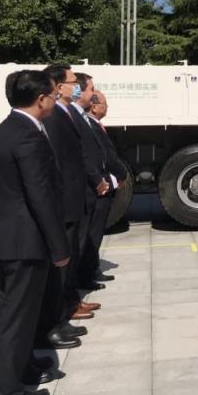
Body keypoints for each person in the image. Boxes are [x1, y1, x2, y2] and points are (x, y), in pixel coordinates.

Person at [0, 70, 67, 395]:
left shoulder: (11, 128)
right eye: (52, 95)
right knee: (13, 323)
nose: (54, 100)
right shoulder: (27, 137)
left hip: (12, 240)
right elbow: (41, 197)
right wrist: (59, 248)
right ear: (41, 99)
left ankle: (16, 382)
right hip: (24, 243)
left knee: (16, 318)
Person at [35, 65, 104, 348]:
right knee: (61, 265)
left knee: (71, 258)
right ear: (58, 85)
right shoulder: (54, 118)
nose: (77, 86)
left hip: (75, 198)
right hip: (67, 201)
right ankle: (56, 320)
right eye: (73, 82)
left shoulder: (66, 114)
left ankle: (66, 310)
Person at [74, 81, 122, 288]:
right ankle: (86, 274)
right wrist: (119, 174)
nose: (107, 107)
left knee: (95, 232)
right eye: (103, 102)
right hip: (97, 188)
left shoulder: (92, 124)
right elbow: (101, 156)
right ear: (94, 106)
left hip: (103, 185)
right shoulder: (88, 125)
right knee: (91, 233)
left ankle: (90, 270)